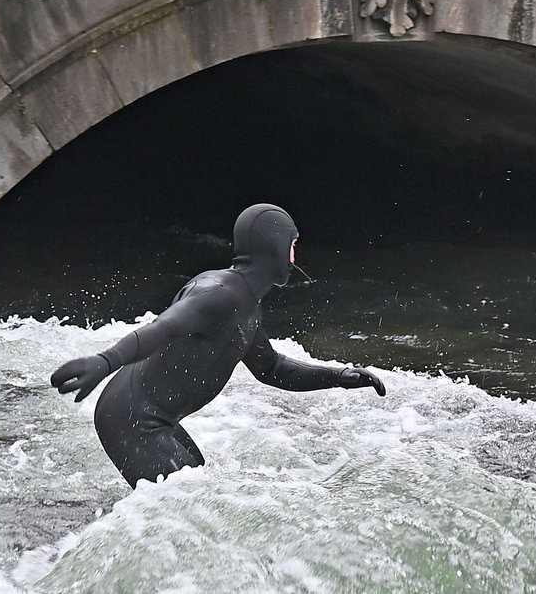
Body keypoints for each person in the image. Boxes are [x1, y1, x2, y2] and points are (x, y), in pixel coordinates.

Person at [51, 204, 387, 487]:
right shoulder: (217, 293)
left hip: (155, 419)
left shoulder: (246, 304)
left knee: (200, 493)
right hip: (132, 419)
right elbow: (164, 327)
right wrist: (104, 360)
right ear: (274, 245)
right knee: (190, 510)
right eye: (292, 243)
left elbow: (271, 368)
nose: (295, 254)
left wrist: (338, 377)